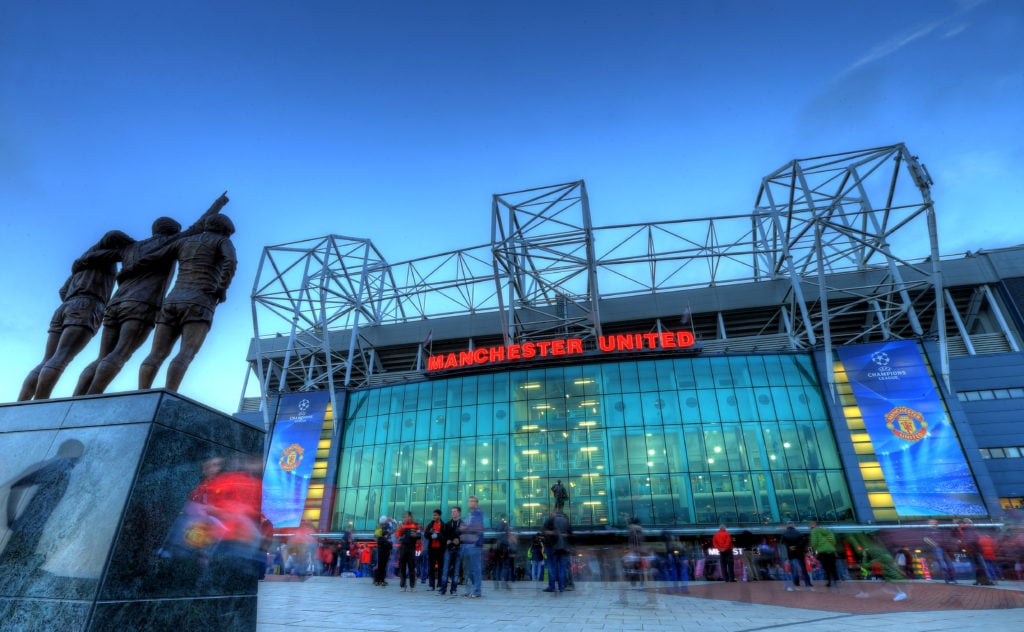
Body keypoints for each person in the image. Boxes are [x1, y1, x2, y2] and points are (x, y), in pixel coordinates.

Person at [74, 193, 228, 396]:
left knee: (102, 356)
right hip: (141, 305)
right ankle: (92, 396)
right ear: (174, 231)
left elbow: (92, 257)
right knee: (121, 353)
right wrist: (218, 204)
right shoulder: (172, 243)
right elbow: (199, 226)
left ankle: (77, 397)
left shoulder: (130, 248)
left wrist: (86, 262)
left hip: (115, 303)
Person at [19, 230, 134, 400]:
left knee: (47, 359)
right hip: (88, 305)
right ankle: (39, 404)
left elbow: (63, 290)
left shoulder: (82, 263)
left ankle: (22, 402)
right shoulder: (106, 259)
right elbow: (125, 253)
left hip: (65, 307)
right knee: (61, 358)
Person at [137, 213, 237, 391]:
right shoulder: (221, 241)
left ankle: (142, 393)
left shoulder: (184, 242)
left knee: (156, 353)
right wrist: (222, 288)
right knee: (186, 353)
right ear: (225, 229)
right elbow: (231, 261)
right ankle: (169, 393)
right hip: (200, 300)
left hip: (172, 300)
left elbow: (153, 256)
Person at [460, 495, 485, 598]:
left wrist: (465, 527)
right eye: (469, 501)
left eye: (473, 501)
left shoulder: (478, 514)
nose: (471, 503)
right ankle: (470, 589)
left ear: (476, 503)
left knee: (475, 569)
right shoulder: (469, 515)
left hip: (475, 544)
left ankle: (477, 591)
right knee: (468, 570)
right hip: (467, 544)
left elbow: (476, 528)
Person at [542, 508, 571, 593]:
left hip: (553, 546)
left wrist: (552, 533)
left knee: (552, 567)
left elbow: (543, 531)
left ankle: (552, 586)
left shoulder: (551, 520)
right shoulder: (565, 521)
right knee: (562, 568)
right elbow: (570, 534)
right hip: (564, 547)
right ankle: (561, 587)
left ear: (554, 512)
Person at [780, 521, 813, 591]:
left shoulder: (785, 534)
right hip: (799, 553)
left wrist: (791, 547)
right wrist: (798, 547)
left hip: (791, 553)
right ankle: (807, 583)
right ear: (793, 526)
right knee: (803, 568)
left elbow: (783, 542)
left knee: (794, 569)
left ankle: (796, 582)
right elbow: (804, 541)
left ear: (787, 526)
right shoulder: (798, 532)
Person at [438, 505, 463, 595]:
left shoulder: (462, 524)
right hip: (448, 549)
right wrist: (446, 541)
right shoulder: (448, 524)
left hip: (458, 549)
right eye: (452, 511)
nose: (453, 513)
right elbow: (443, 536)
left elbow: (466, 537)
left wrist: (459, 540)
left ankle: (453, 590)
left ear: (459, 513)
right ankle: (443, 589)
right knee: (445, 570)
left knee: (456, 571)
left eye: (455, 511)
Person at [395, 511, 421, 591]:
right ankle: (403, 585)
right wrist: (399, 529)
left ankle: (412, 586)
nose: (404, 519)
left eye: (406, 517)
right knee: (402, 567)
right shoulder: (402, 526)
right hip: (403, 547)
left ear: (410, 517)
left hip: (411, 548)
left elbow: (420, 535)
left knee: (411, 567)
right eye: (404, 517)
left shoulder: (416, 525)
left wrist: (416, 535)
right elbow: (397, 536)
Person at [809, 520, 839, 587]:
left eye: (810, 526)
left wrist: (815, 550)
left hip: (823, 552)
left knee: (826, 567)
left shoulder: (814, 531)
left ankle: (829, 582)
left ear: (812, 526)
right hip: (831, 551)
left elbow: (814, 542)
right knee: (833, 566)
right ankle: (836, 580)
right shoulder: (826, 530)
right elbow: (833, 540)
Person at [423, 508, 445, 590]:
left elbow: (445, 537)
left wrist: (438, 535)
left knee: (441, 568)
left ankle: (439, 584)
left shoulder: (443, 525)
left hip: (440, 550)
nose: (434, 516)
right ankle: (431, 585)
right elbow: (425, 535)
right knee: (431, 567)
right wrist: (430, 532)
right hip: (431, 549)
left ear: (439, 516)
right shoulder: (430, 525)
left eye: (435, 515)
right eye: (433, 515)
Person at [373, 515, 393, 586]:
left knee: (381, 565)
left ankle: (378, 580)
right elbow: (389, 542)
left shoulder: (379, 527)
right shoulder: (385, 527)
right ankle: (380, 580)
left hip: (381, 549)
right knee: (383, 565)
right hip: (384, 551)